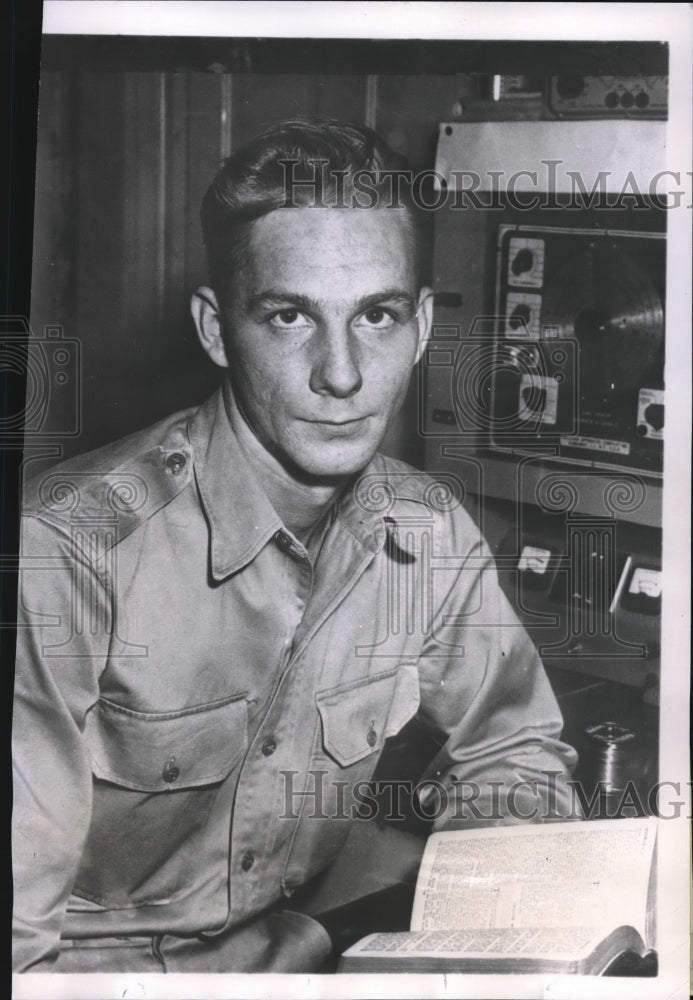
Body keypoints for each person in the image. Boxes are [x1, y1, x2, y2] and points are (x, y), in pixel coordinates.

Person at [12, 118, 578, 974]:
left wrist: (487, 894)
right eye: (289, 317)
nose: (342, 374)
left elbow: (513, 751)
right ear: (214, 330)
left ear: (422, 327)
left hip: (292, 957)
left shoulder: (426, 536)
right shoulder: (66, 553)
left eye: (377, 316)